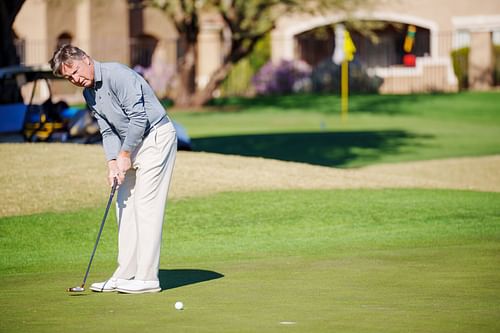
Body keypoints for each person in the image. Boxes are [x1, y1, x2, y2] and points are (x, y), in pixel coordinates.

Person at [49, 45, 177, 294]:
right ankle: (126, 272)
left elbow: (139, 118)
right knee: (124, 206)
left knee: (146, 206)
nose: (75, 79)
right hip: (129, 143)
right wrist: (112, 162)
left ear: (85, 59)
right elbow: (107, 130)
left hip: (156, 137)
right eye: (68, 77)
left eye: (74, 71)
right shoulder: (89, 94)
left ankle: (147, 277)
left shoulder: (117, 75)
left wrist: (125, 153)